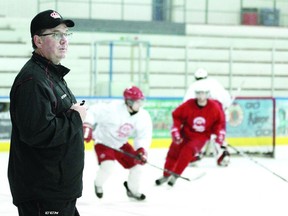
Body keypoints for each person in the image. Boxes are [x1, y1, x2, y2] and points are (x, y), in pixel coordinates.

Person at [8, 10, 87, 216]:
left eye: (65, 34)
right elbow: (38, 133)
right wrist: (76, 118)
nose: (63, 41)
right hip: (44, 193)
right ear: (38, 41)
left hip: (58, 190)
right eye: (55, 34)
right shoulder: (33, 81)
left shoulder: (51, 74)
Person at [83, 86, 152, 201]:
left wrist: (141, 150)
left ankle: (132, 190)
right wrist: (87, 125)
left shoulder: (143, 116)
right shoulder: (112, 109)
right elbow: (92, 112)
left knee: (137, 167)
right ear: (129, 101)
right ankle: (98, 184)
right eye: (137, 101)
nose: (140, 104)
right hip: (103, 142)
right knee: (108, 166)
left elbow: (143, 135)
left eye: (141, 101)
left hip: (121, 143)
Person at [155, 82, 230, 187]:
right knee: (173, 153)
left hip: (200, 137)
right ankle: (166, 175)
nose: (200, 96)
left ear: (207, 94)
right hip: (184, 134)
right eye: (198, 93)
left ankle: (175, 176)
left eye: (203, 93)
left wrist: (219, 135)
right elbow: (177, 116)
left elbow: (219, 122)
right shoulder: (189, 104)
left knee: (186, 153)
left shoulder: (214, 107)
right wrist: (176, 130)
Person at [184, 68, 232, 162]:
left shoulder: (194, 85)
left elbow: (187, 102)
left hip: (203, 112)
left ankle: (195, 153)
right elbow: (226, 98)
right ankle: (222, 153)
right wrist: (226, 106)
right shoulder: (215, 83)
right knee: (218, 133)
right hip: (218, 110)